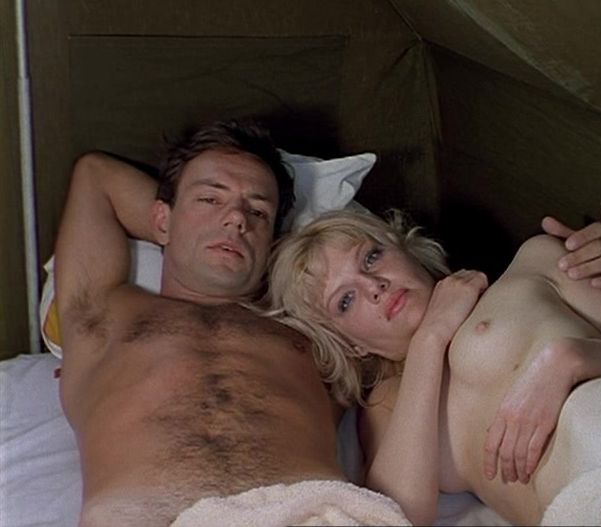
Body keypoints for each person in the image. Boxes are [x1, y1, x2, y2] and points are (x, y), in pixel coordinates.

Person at [266, 208, 601, 526]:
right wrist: (431, 339)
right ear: (349, 345)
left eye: (372, 257)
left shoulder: (532, 266)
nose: (374, 286)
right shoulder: (388, 407)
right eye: (346, 300)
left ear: (404, 247)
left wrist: (572, 359)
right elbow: (401, 517)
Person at [54, 117, 414, 527]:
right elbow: (95, 175)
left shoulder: (317, 331)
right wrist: (187, 227)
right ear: (161, 220)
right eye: (210, 199)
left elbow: (403, 333)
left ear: (273, 244)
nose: (237, 219)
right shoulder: (100, 314)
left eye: (258, 211)